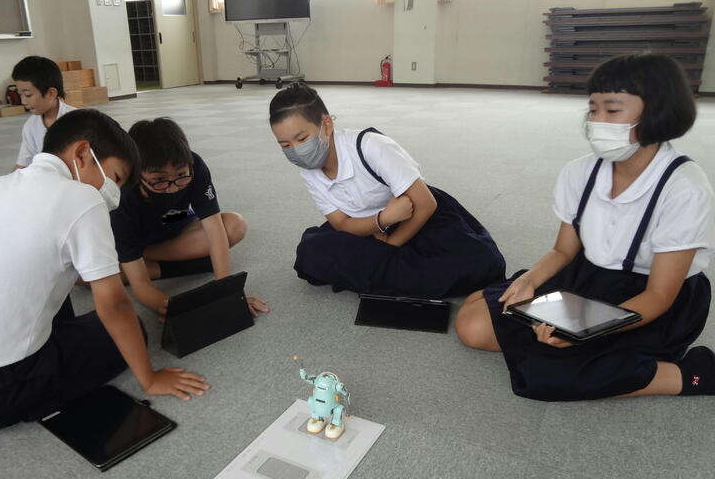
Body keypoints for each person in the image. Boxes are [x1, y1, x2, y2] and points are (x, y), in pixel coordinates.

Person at [0, 109, 208, 435]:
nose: (114, 192)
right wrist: (150, 379)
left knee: (54, 273)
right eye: (116, 177)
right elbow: (114, 305)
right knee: (132, 331)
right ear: (82, 153)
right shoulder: (82, 198)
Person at [455, 53, 715, 401]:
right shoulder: (579, 172)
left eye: (612, 110)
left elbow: (659, 295)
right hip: (587, 276)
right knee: (471, 326)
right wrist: (529, 279)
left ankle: (689, 375)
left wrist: (590, 331)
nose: (597, 121)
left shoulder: (685, 188)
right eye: (593, 109)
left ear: (657, 112)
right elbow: (564, 250)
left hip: (648, 297)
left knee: (548, 374)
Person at [268, 82, 505, 298]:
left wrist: (388, 246)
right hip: (370, 225)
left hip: (417, 216)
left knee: (479, 265)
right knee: (310, 252)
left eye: (302, 139)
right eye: (285, 145)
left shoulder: (369, 146)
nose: (296, 151)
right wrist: (382, 220)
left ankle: (378, 271)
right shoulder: (309, 171)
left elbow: (426, 205)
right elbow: (342, 224)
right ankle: (387, 270)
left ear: (326, 125)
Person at [111, 117, 268, 318]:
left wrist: (226, 291)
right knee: (86, 276)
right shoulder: (122, 193)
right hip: (131, 238)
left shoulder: (195, 165)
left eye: (181, 175)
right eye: (158, 180)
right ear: (136, 172)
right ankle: (149, 263)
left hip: (174, 221)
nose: (172, 188)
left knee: (235, 225)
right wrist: (180, 310)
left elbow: (213, 226)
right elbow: (141, 287)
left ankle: (143, 263)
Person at [12, 55, 75, 169]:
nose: (23, 101)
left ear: (51, 93)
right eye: (20, 95)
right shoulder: (30, 126)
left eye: (28, 95)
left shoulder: (78, 121)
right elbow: (23, 165)